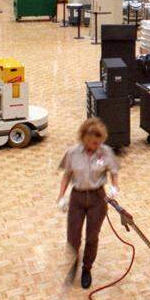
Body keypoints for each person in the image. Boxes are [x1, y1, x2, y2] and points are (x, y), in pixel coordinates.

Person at [57, 118, 120, 289]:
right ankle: (73, 267)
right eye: (94, 142)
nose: (97, 146)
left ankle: (87, 269)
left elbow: (113, 172)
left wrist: (115, 187)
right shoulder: (72, 153)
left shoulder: (106, 152)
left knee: (92, 237)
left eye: (100, 142)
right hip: (77, 197)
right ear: (84, 138)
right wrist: (61, 197)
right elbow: (66, 175)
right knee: (73, 237)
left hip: (97, 198)